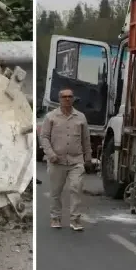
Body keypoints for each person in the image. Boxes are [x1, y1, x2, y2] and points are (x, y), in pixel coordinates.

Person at [40, 88, 92, 231]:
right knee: (56, 192)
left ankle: (75, 219)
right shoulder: (51, 117)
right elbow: (44, 137)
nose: (67, 99)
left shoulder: (80, 117)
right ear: (59, 99)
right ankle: (55, 217)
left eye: (70, 97)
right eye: (64, 97)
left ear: (73, 99)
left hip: (76, 161)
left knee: (76, 189)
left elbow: (86, 139)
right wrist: (50, 154)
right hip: (57, 161)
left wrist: (88, 159)